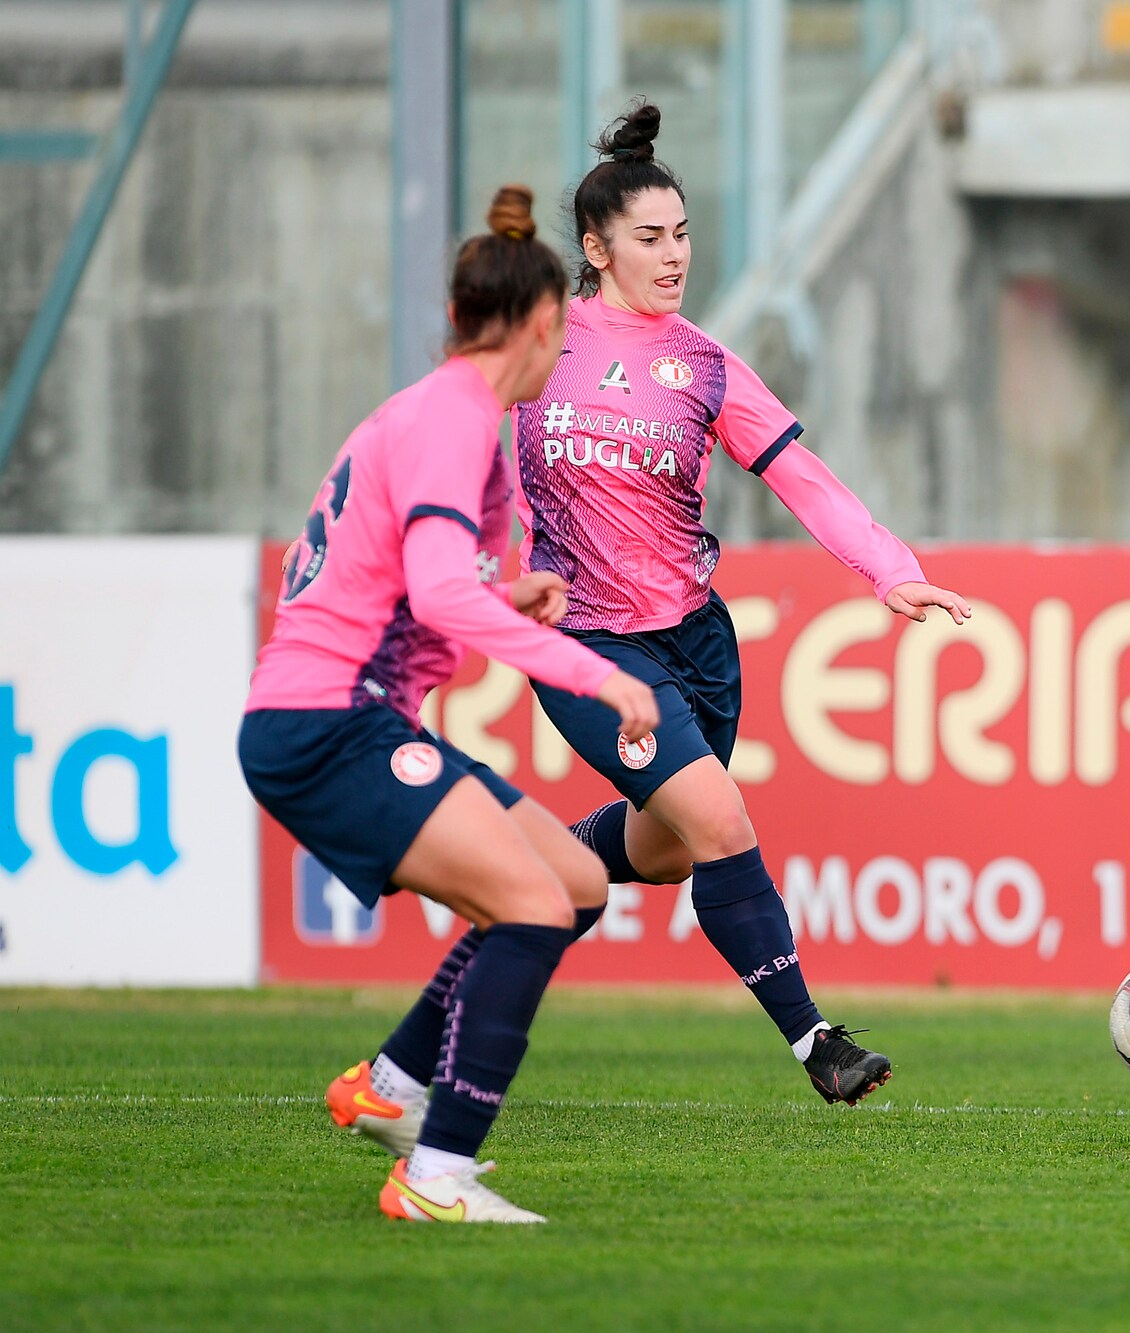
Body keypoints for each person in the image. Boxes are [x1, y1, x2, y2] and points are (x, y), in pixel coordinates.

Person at [339, 101, 969, 1132]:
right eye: (649, 237)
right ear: (595, 249)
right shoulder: (541, 344)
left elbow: (801, 477)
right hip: (584, 643)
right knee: (721, 820)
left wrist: (887, 570)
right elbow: (438, 442)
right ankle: (818, 1042)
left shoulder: (706, 364)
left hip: (696, 643)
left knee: (667, 851)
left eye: (681, 234)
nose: (674, 255)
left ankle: (409, 1046)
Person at [246, 185, 661, 1221]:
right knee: (530, 905)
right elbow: (435, 595)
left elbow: (406, 579)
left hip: (346, 716)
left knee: (573, 881)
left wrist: (503, 594)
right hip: (328, 724)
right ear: (541, 323)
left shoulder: (435, 410)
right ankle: (437, 1176)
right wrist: (598, 673)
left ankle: (390, 1085)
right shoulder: (453, 419)